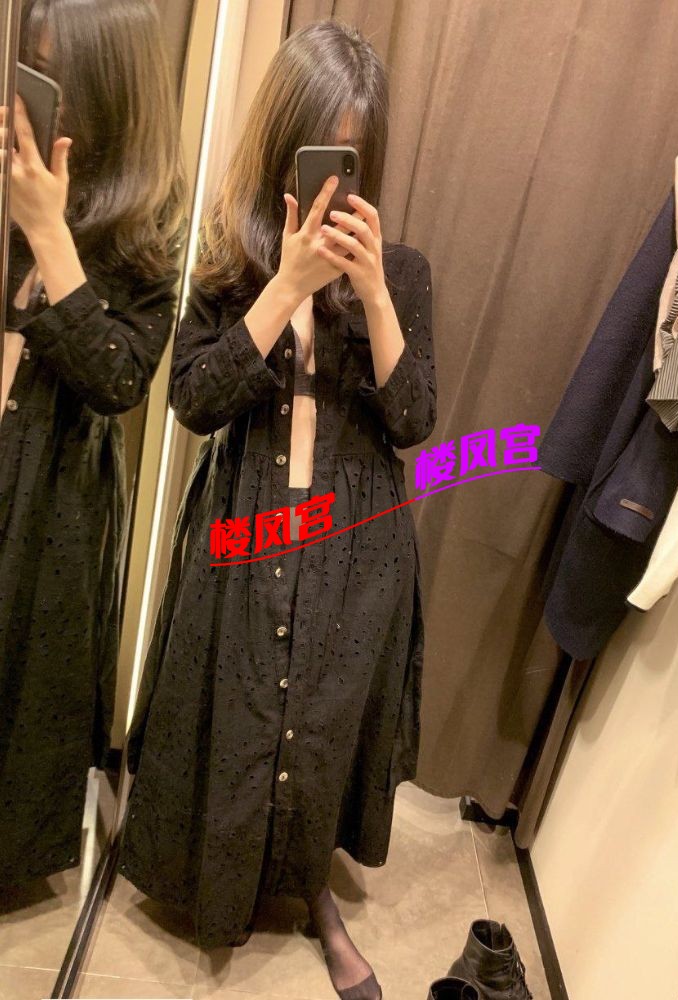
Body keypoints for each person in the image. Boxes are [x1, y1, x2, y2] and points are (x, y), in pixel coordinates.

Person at [119, 19, 436, 1000]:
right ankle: (215, 885)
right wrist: (288, 285)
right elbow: (193, 402)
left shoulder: (403, 273)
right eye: (317, 152)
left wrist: (372, 294)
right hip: (246, 523)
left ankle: (313, 896)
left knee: (323, 723)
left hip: (355, 542)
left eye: (352, 156)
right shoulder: (229, 265)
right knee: (243, 706)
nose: (332, 184)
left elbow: (415, 421)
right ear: (280, 150)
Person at [0, 0, 186, 889]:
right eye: (33, 67)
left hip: (53, 486)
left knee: (17, 674)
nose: (46, 98)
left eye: (64, 77)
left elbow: (119, 381)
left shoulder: (149, 222)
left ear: (113, 89)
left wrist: (46, 230)